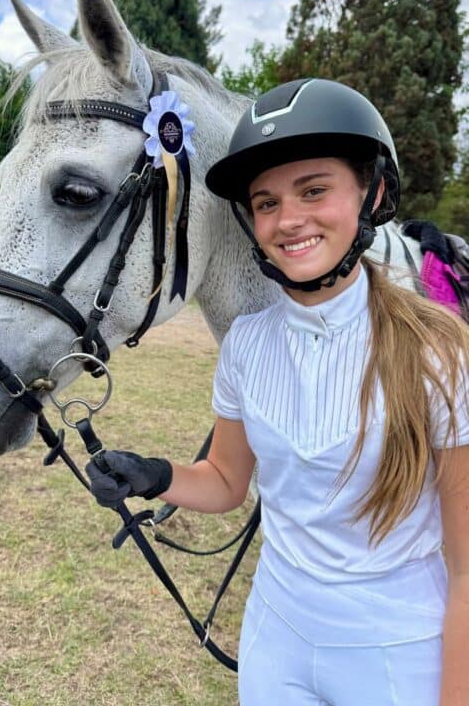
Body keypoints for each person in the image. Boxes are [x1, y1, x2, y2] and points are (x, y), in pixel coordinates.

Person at [86, 79, 469, 705]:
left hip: (397, 651)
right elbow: (228, 481)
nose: (288, 220)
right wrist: (153, 475)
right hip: (277, 638)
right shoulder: (246, 344)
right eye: (265, 203)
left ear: (371, 191)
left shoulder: (440, 351)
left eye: (314, 190)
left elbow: (467, 570)